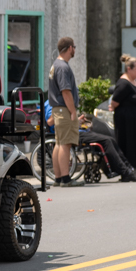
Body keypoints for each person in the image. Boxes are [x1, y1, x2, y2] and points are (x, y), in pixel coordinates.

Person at [43, 100, 136, 182]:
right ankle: (124, 171)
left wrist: (77, 120)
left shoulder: (58, 102)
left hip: (79, 130)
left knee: (110, 139)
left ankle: (128, 168)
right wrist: (70, 117)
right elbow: (51, 121)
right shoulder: (53, 104)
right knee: (107, 141)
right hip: (73, 133)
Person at [48, 37, 85, 187]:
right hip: (64, 109)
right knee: (65, 144)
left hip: (57, 109)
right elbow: (66, 91)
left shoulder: (56, 65)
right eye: (74, 47)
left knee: (59, 143)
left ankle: (58, 178)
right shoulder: (63, 67)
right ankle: (65, 179)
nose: (74, 49)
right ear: (70, 48)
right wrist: (73, 111)